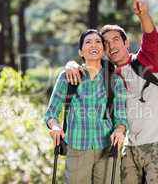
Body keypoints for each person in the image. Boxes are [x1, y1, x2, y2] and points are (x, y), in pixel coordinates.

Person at [65, 0, 158, 183]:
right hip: (129, 148)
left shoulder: (146, 60)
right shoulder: (110, 77)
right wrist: (71, 65)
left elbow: (151, 36)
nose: (111, 45)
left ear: (126, 43)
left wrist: (143, 15)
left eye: (116, 39)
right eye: (105, 43)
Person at [45, 29, 128, 184]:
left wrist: (119, 130)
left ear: (103, 49)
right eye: (88, 42)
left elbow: (121, 117)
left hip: (107, 149)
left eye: (97, 41)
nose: (93, 45)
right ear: (81, 51)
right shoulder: (67, 77)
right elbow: (51, 113)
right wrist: (55, 127)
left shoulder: (114, 80)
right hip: (77, 149)